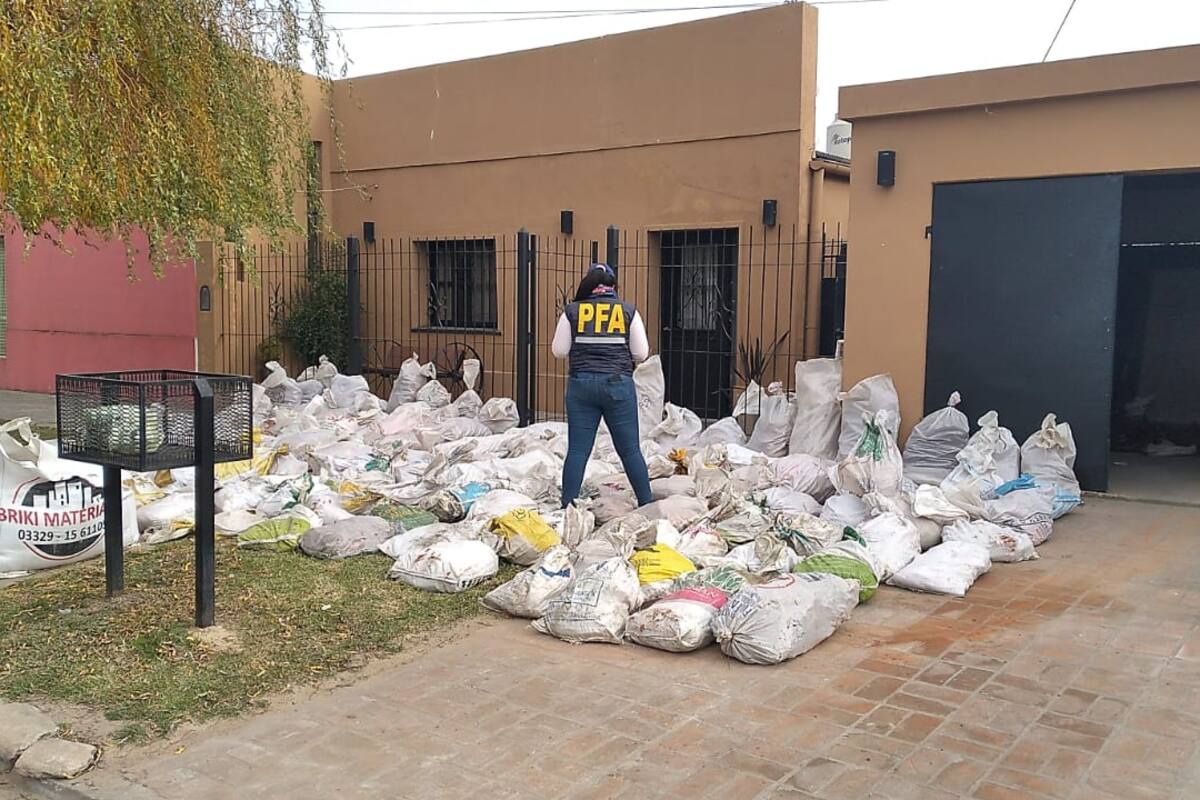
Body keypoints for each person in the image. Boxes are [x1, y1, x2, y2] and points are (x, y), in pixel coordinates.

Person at [552, 263, 653, 508]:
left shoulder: (572, 311)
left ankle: (568, 506)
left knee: (578, 450)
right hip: (618, 386)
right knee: (629, 450)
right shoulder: (628, 311)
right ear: (613, 286)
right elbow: (641, 353)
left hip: (581, 386)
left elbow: (559, 350)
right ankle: (646, 502)